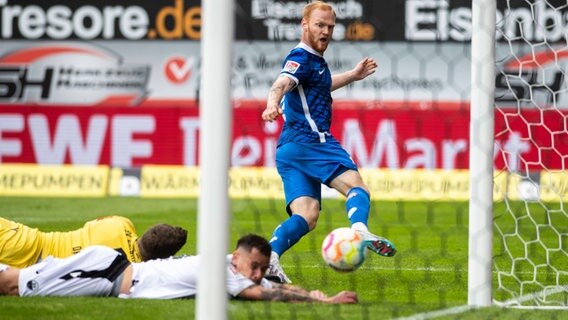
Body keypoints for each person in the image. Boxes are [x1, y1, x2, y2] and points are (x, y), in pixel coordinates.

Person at [261, 1, 397, 283]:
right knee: (357, 187)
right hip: (312, 140)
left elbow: (317, 84)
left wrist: (353, 75)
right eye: (319, 25)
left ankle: (269, 260)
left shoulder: (315, 63)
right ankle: (359, 229)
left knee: (307, 216)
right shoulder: (300, 56)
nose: (325, 31)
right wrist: (272, 103)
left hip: (289, 149)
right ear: (305, 25)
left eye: (330, 27)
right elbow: (282, 82)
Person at [0, 234, 358, 304]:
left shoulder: (230, 267)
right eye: (253, 266)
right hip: (104, 274)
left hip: (109, 272)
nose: (257, 274)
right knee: (11, 286)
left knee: (11, 281)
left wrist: (310, 293)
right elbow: (261, 293)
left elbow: (273, 284)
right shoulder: (224, 274)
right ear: (238, 257)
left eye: (261, 268)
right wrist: (320, 303)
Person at [0, 216, 188, 268]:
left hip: (24, 236)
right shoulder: (129, 270)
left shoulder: (121, 223)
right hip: (30, 258)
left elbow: (90, 224)